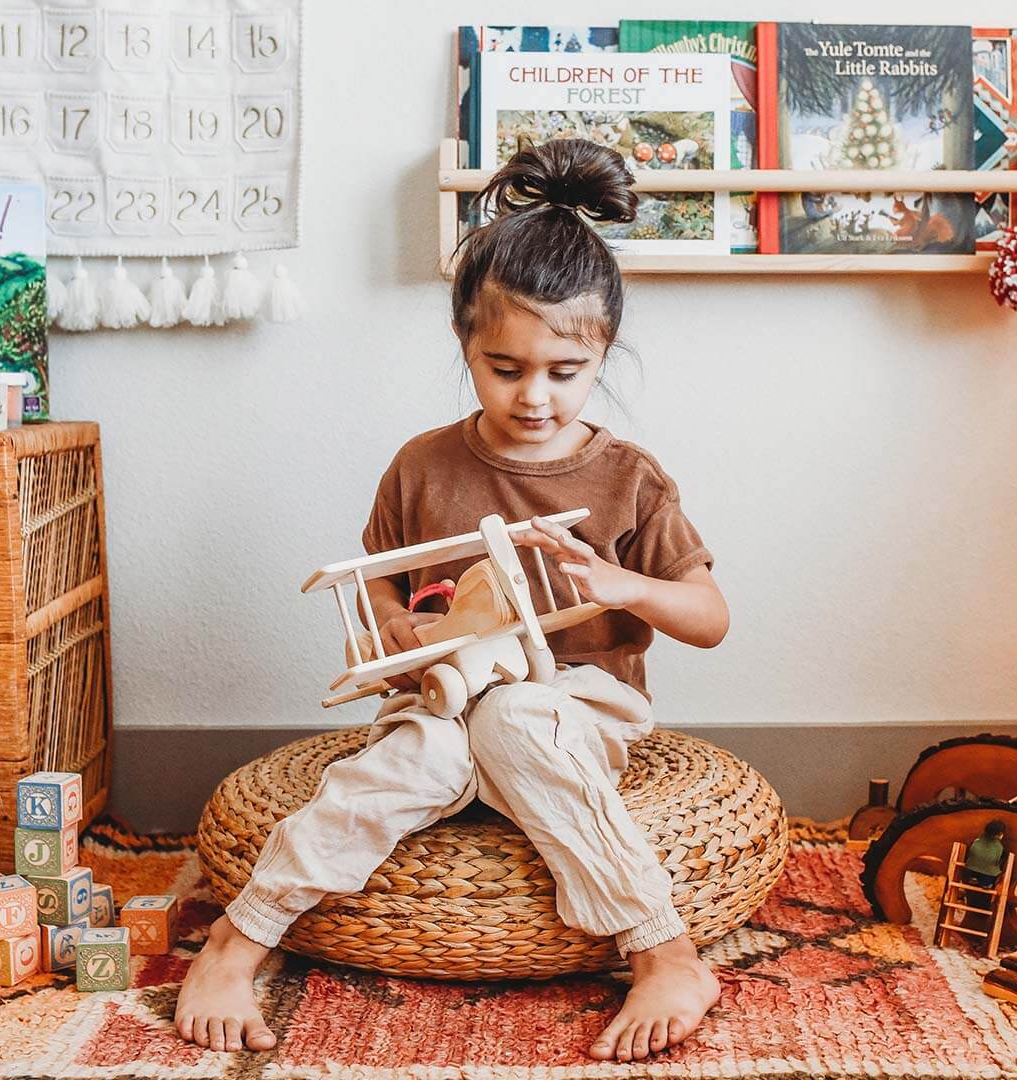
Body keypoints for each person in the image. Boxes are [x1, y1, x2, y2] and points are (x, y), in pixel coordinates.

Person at [175, 138, 730, 1062]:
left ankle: (665, 953)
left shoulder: (629, 478)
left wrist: (619, 583)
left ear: (601, 355)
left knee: (513, 717)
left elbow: (711, 617)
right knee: (411, 759)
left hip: (572, 705)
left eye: (565, 371)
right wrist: (397, 623)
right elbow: (384, 573)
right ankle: (239, 943)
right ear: (465, 344)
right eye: (505, 368)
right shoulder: (424, 464)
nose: (535, 396)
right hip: (439, 690)